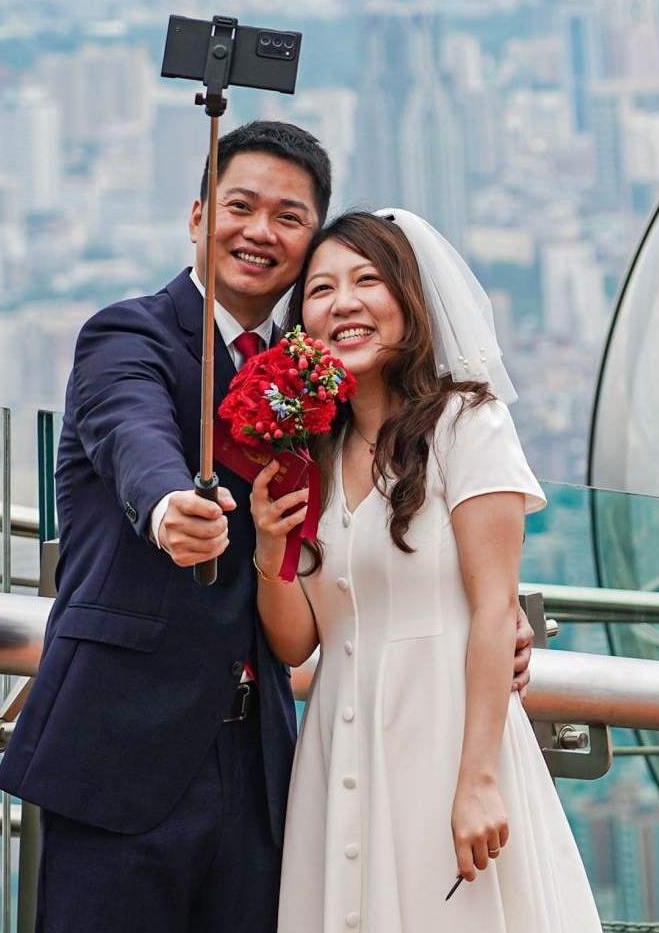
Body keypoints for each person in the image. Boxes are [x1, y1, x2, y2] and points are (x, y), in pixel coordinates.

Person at [0, 122, 536, 933]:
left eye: (289, 217)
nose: (260, 231)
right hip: (124, 747)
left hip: (269, 764)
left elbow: (403, 522)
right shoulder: (127, 334)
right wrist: (171, 505)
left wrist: (486, 617)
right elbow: (130, 433)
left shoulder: (326, 377)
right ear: (196, 216)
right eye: (239, 206)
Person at [253, 209, 602, 933]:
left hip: (445, 738)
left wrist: (477, 780)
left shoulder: (467, 425)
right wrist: (267, 547)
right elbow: (296, 644)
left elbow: (493, 608)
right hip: (338, 742)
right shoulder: (310, 452)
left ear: (410, 302)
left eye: (366, 281)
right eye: (321, 289)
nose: (342, 302)